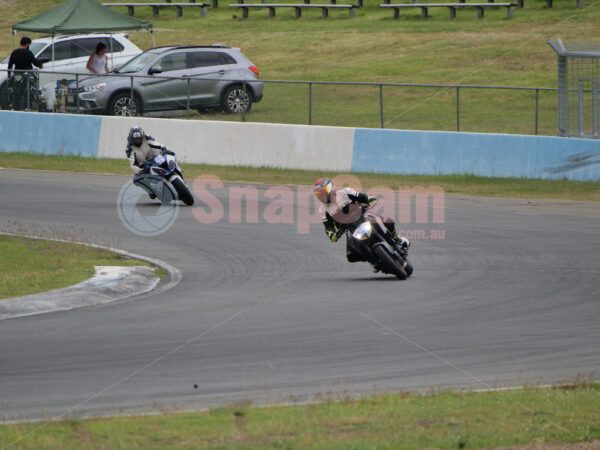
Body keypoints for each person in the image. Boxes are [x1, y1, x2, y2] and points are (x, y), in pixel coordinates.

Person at [313, 177, 410, 259]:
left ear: (331, 188)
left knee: (388, 221)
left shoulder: (345, 192)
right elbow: (328, 227)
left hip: (362, 217)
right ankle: (374, 260)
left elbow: (362, 197)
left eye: (323, 193)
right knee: (351, 256)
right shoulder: (323, 210)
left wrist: (370, 199)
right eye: (319, 195)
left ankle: (396, 239)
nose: (322, 196)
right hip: (349, 229)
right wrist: (332, 234)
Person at [7, 36, 44, 110]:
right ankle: (28, 106)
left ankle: (15, 107)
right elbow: (34, 62)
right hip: (27, 75)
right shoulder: (28, 53)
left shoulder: (14, 52)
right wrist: (40, 65)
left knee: (17, 92)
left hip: (17, 75)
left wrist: (9, 76)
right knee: (28, 92)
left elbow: (10, 65)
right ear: (27, 44)